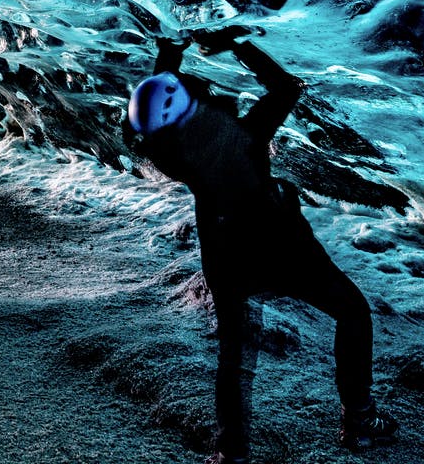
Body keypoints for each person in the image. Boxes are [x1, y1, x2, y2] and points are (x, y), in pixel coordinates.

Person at [127, 27, 399, 464]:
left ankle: (230, 454)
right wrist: (238, 47)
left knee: (234, 357)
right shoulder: (243, 137)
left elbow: (157, 102)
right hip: (283, 247)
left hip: (225, 256)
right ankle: (359, 419)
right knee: (352, 311)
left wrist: (169, 53)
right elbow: (289, 87)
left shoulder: (165, 148)